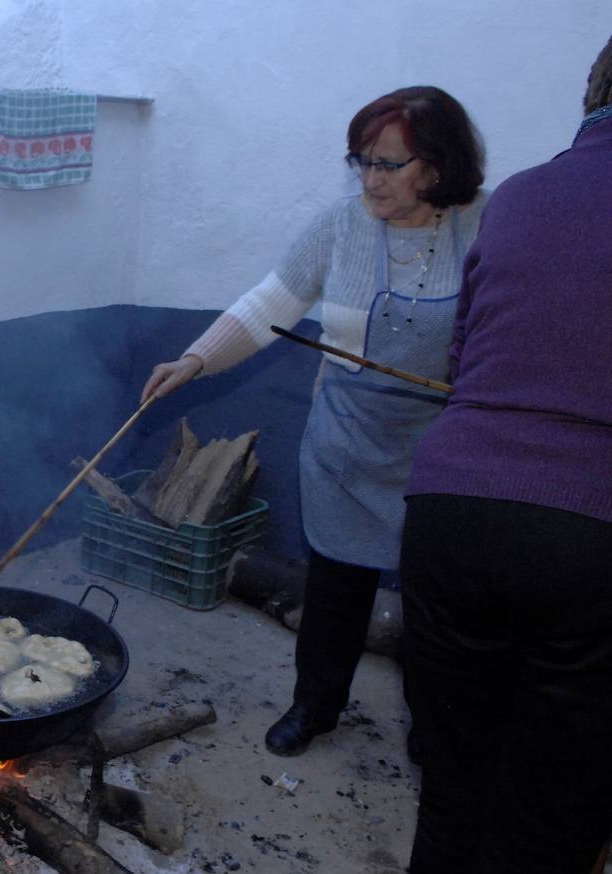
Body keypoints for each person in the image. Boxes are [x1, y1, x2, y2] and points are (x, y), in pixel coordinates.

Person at [142, 86, 487, 757]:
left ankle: (430, 722)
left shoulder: (482, 227)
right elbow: (274, 300)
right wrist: (196, 359)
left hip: (439, 451)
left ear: (438, 168)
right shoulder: (342, 226)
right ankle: (316, 706)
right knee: (334, 593)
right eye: (361, 160)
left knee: (433, 601)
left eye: (390, 164)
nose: (370, 178)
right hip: (346, 444)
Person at [400, 38, 612, 874]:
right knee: (552, 818)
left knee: (453, 788)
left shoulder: (522, 195)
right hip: (592, 534)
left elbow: (466, 354)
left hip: (453, 514)